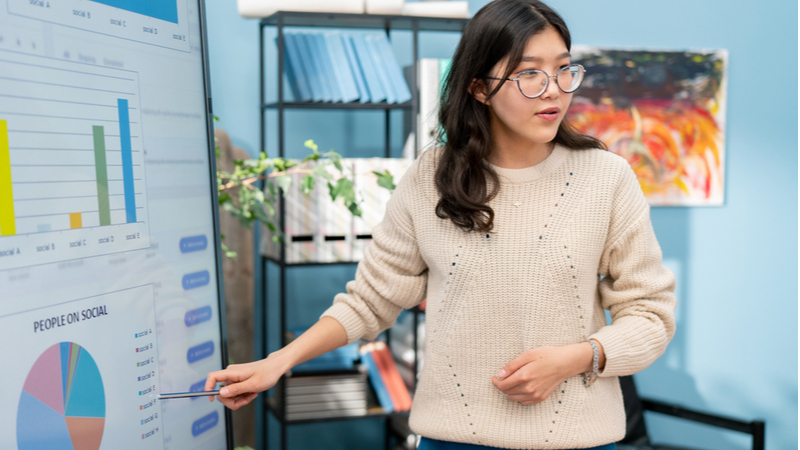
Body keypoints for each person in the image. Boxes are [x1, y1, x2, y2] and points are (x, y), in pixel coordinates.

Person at [205, 1, 677, 449]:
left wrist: (578, 357)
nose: (553, 89)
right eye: (529, 73)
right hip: (451, 441)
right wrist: (278, 363)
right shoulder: (432, 177)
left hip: (579, 442)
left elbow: (651, 317)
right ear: (478, 88)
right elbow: (371, 299)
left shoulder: (605, 178)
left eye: (563, 69)